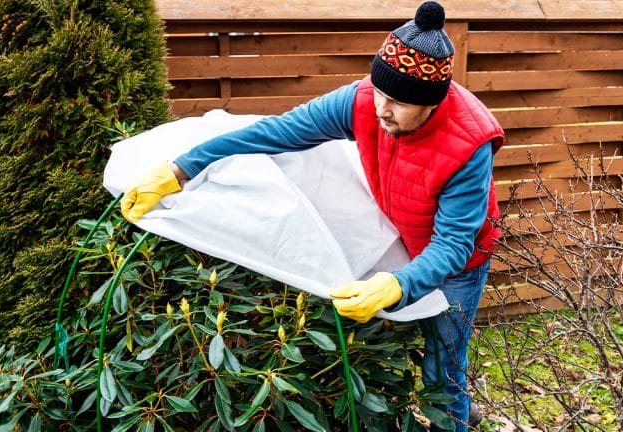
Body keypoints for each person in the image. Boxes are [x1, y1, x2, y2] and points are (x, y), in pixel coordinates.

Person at [121, 1, 504, 430]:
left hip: (458, 265)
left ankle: (457, 420)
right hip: (403, 238)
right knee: (401, 352)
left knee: (442, 369)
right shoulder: (362, 102)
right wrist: (183, 168)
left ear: (430, 104)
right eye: (380, 91)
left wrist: (399, 284)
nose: (381, 109)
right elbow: (276, 132)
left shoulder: (469, 143)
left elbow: (454, 244)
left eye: (396, 102)